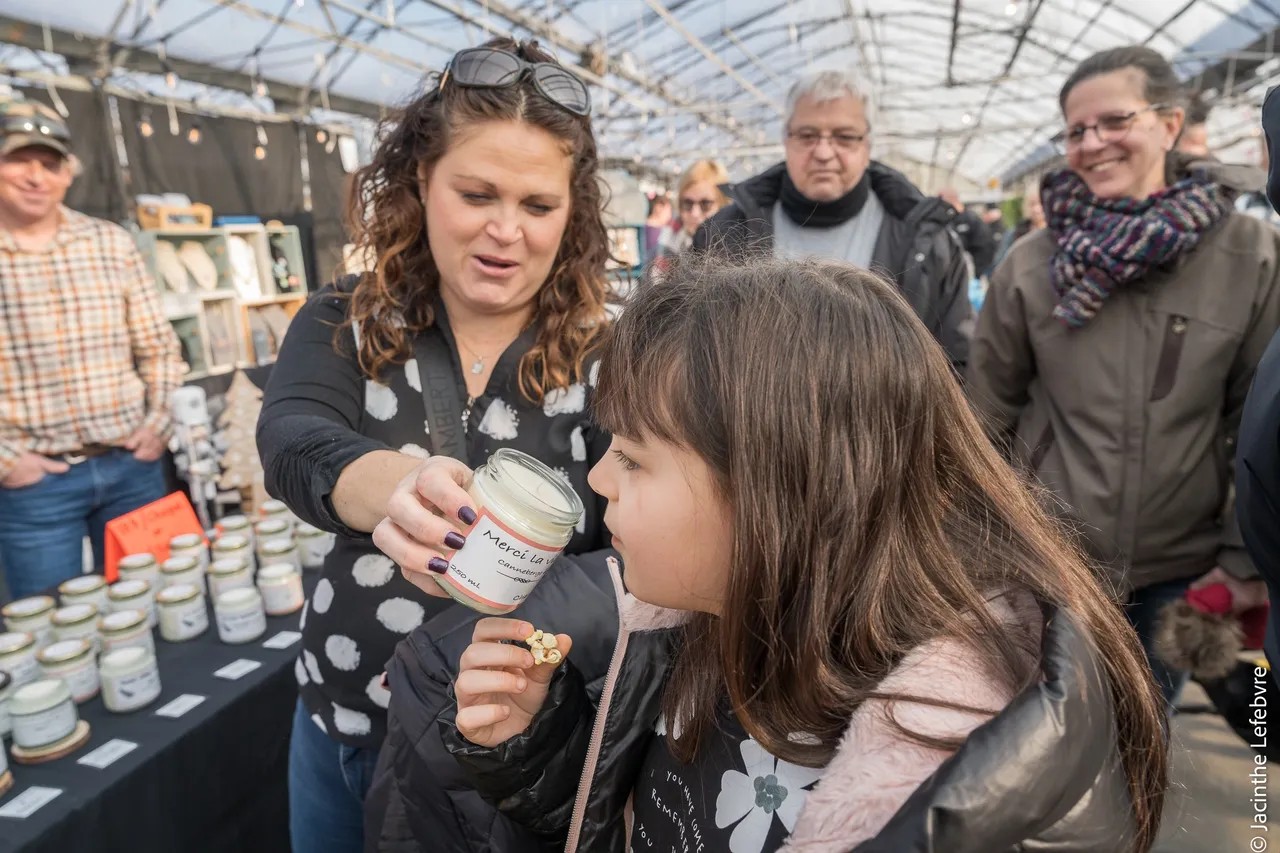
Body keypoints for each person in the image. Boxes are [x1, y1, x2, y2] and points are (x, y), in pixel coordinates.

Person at [430, 256, 1168, 852]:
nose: (596, 480)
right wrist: (537, 743)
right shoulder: (707, 619)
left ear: (777, 490)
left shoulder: (942, 771)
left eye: (632, 456)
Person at [256, 38, 617, 853]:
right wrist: (386, 481)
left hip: (504, 754)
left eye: (537, 205)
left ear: (574, 212)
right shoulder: (349, 314)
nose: (504, 231)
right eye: (477, 193)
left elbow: (638, 548)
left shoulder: (611, 354)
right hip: (345, 723)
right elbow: (290, 435)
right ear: (421, 182)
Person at [967, 46, 1280, 708]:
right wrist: (980, 547)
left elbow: (1256, 418)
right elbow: (985, 415)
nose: (1092, 143)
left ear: (1169, 123)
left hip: (1180, 569)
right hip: (1051, 562)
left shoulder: (1248, 256)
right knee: (1042, 746)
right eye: (1076, 130)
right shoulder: (1031, 265)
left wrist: (1240, 560)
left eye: (1113, 121)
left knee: (1141, 741)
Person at [0, 98, 184, 599]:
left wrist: (158, 425)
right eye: (19, 159)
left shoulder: (110, 244)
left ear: (67, 175)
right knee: (51, 629)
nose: (36, 176)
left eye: (50, 163)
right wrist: (7, 460)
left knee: (157, 604)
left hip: (132, 467)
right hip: (34, 485)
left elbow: (159, 348)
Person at [693, 70, 971, 370]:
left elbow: (956, 364)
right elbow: (692, 355)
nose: (824, 153)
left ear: (867, 146)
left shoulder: (927, 243)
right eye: (807, 136)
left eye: (844, 137)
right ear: (786, 140)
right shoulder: (723, 236)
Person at [655, 159, 730, 260]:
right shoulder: (668, 240)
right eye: (687, 203)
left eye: (706, 204)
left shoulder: (736, 246)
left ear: (723, 204)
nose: (695, 213)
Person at [939, 186, 995, 276]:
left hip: (970, 273)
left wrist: (976, 274)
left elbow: (985, 247)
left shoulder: (971, 220)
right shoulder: (947, 220)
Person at [992, 181, 1046, 269]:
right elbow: (1000, 263)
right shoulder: (1014, 233)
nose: (1036, 209)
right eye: (1032, 204)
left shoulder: (1060, 232)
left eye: (1040, 203)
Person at [642, 194, 671, 265]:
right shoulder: (657, 231)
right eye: (669, 210)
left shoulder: (642, 225)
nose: (669, 215)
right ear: (659, 208)